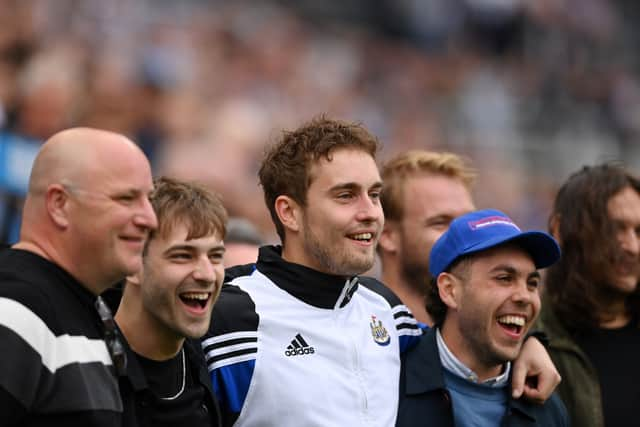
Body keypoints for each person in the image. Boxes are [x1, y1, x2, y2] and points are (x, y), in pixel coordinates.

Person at [202, 117, 560, 427]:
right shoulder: (229, 318)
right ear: (289, 212)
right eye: (346, 195)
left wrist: (529, 343)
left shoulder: (387, 313)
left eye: (374, 195)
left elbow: (463, 342)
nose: (370, 212)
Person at [0, 127, 158, 426]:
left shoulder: (91, 306)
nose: (149, 218)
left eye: (148, 200)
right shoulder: (14, 311)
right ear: (59, 205)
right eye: (127, 198)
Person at [397, 209, 568, 426]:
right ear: (450, 290)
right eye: (505, 278)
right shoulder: (390, 383)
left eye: (532, 283)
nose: (525, 297)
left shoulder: (547, 408)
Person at [109, 176, 227, 426]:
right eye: (183, 256)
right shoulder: (83, 369)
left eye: (216, 257)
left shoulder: (211, 362)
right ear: (132, 265)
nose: (207, 274)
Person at [535, 163, 640, 427]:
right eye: (615, 228)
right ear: (560, 229)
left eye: (639, 231)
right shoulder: (532, 341)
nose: (633, 247)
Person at [378, 150, 475, 325]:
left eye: (467, 222)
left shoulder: (481, 343)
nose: (462, 236)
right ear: (387, 236)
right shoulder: (358, 337)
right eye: (440, 223)